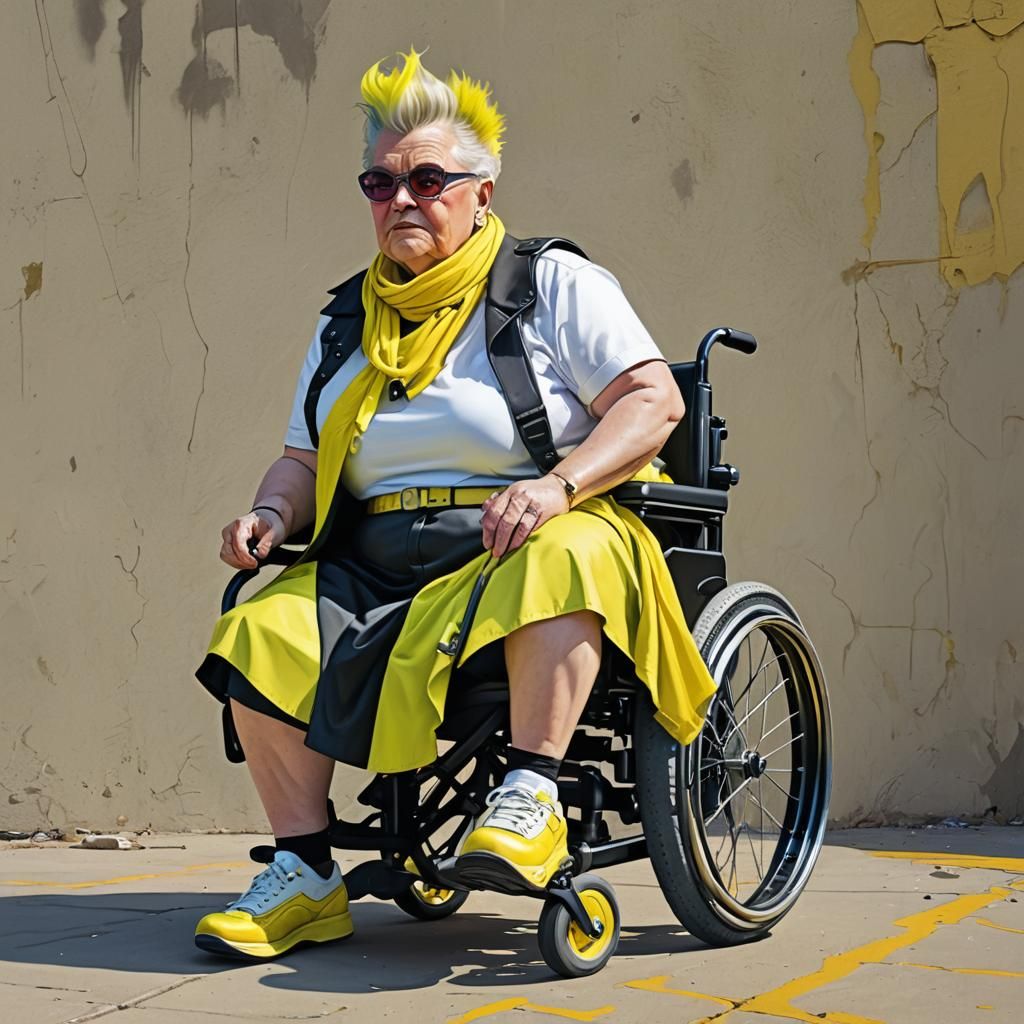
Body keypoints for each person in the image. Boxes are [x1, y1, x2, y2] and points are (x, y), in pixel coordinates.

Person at [193, 50, 716, 961]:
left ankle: (530, 794)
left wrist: (557, 486)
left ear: (481, 191)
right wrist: (270, 517)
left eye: (428, 178)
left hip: (526, 531)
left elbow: (651, 403)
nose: (402, 198)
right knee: (260, 626)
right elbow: (303, 459)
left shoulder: (550, 286)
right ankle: (306, 873)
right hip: (377, 558)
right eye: (381, 181)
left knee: (562, 556)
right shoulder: (346, 321)